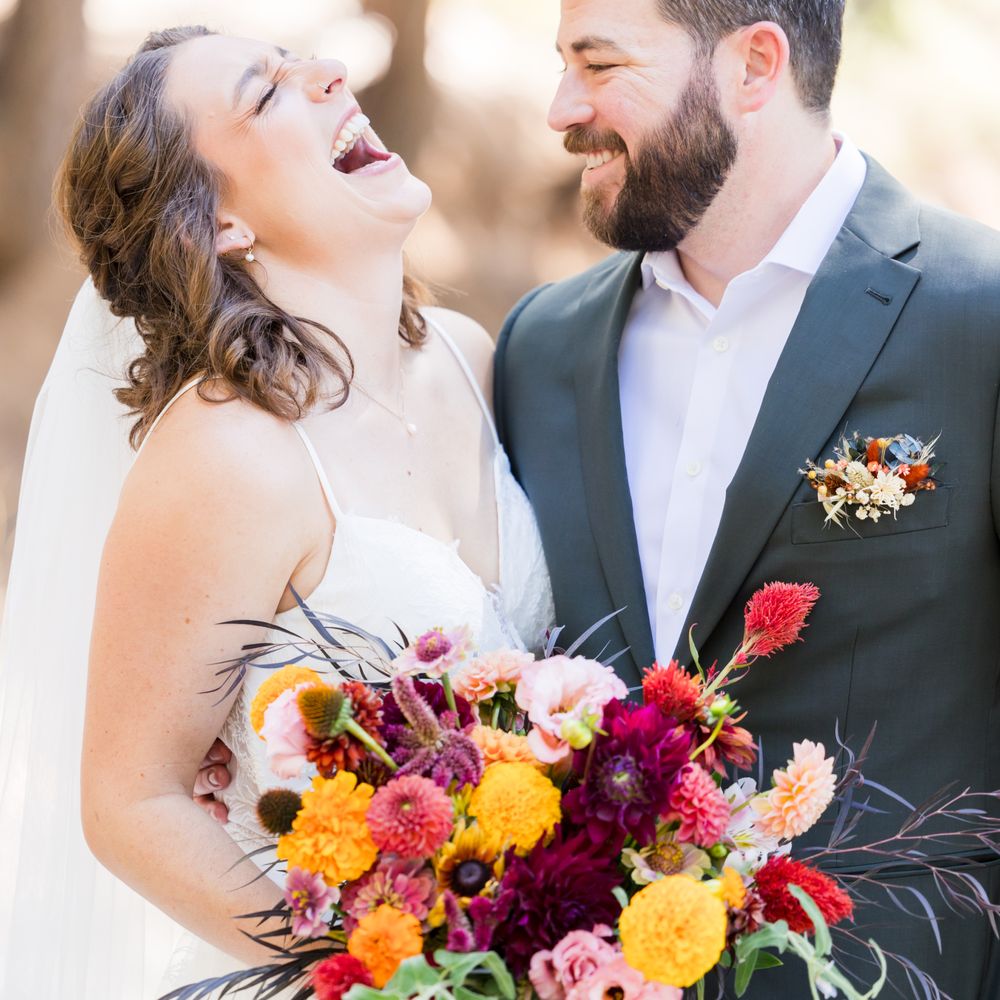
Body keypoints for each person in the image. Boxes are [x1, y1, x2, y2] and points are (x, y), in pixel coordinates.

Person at [0, 25, 553, 998]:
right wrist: (369, 967)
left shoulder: (468, 360)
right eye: (267, 94)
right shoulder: (230, 453)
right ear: (218, 224)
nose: (331, 73)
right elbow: (128, 799)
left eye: (303, 61)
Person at [494, 0, 1000, 997]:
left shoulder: (976, 316)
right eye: (561, 64)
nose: (560, 108)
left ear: (754, 65)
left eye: (598, 65)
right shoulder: (537, 348)